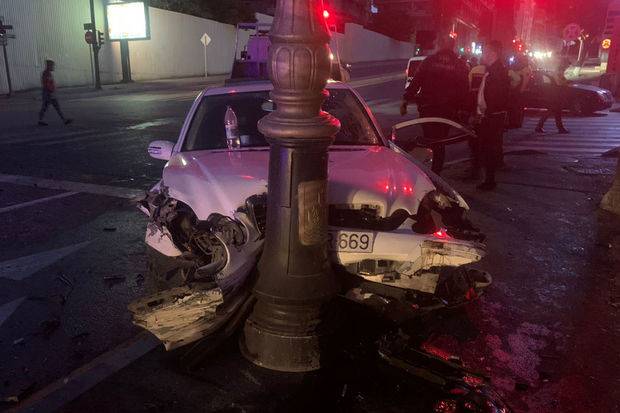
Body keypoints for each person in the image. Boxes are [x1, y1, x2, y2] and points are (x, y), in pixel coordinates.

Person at [400, 36, 470, 175]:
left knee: (429, 139)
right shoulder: (459, 65)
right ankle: (436, 171)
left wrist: (406, 99)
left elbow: (417, 81)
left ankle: (426, 171)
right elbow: (464, 89)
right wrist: (463, 110)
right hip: (448, 110)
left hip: (428, 107)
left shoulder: (429, 61)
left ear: (440, 46)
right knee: (440, 141)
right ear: (453, 47)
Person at [472, 40, 511, 191]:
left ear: (492, 53)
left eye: (485, 52)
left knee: (489, 148)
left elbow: (494, 96)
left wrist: (485, 114)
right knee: (487, 147)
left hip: (491, 116)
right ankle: (488, 178)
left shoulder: (497, 72)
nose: (483, 55)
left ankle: (489, 180)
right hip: (490, 115)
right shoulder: (493, 70)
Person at [535, 58, 570, 134]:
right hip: (556, 94)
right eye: (567, 65)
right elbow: (559, 83)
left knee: (555, 111)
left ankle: (558, 128)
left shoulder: (559, 71)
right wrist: (566, 81)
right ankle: (559, 128)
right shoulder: (559, 72)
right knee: (554, 110)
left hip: (556, 94)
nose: (568, 67)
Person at [38, 60, 72, 126]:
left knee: (48, 107)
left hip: (49, 94)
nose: (53, 67)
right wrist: (51, 90)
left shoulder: (48, 73)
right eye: (52, 65)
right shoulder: (46, 74)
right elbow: (46, 84)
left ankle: (41, 120)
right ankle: (64, 120)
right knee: (49, 107)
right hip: (49, 94)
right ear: (49, 66)